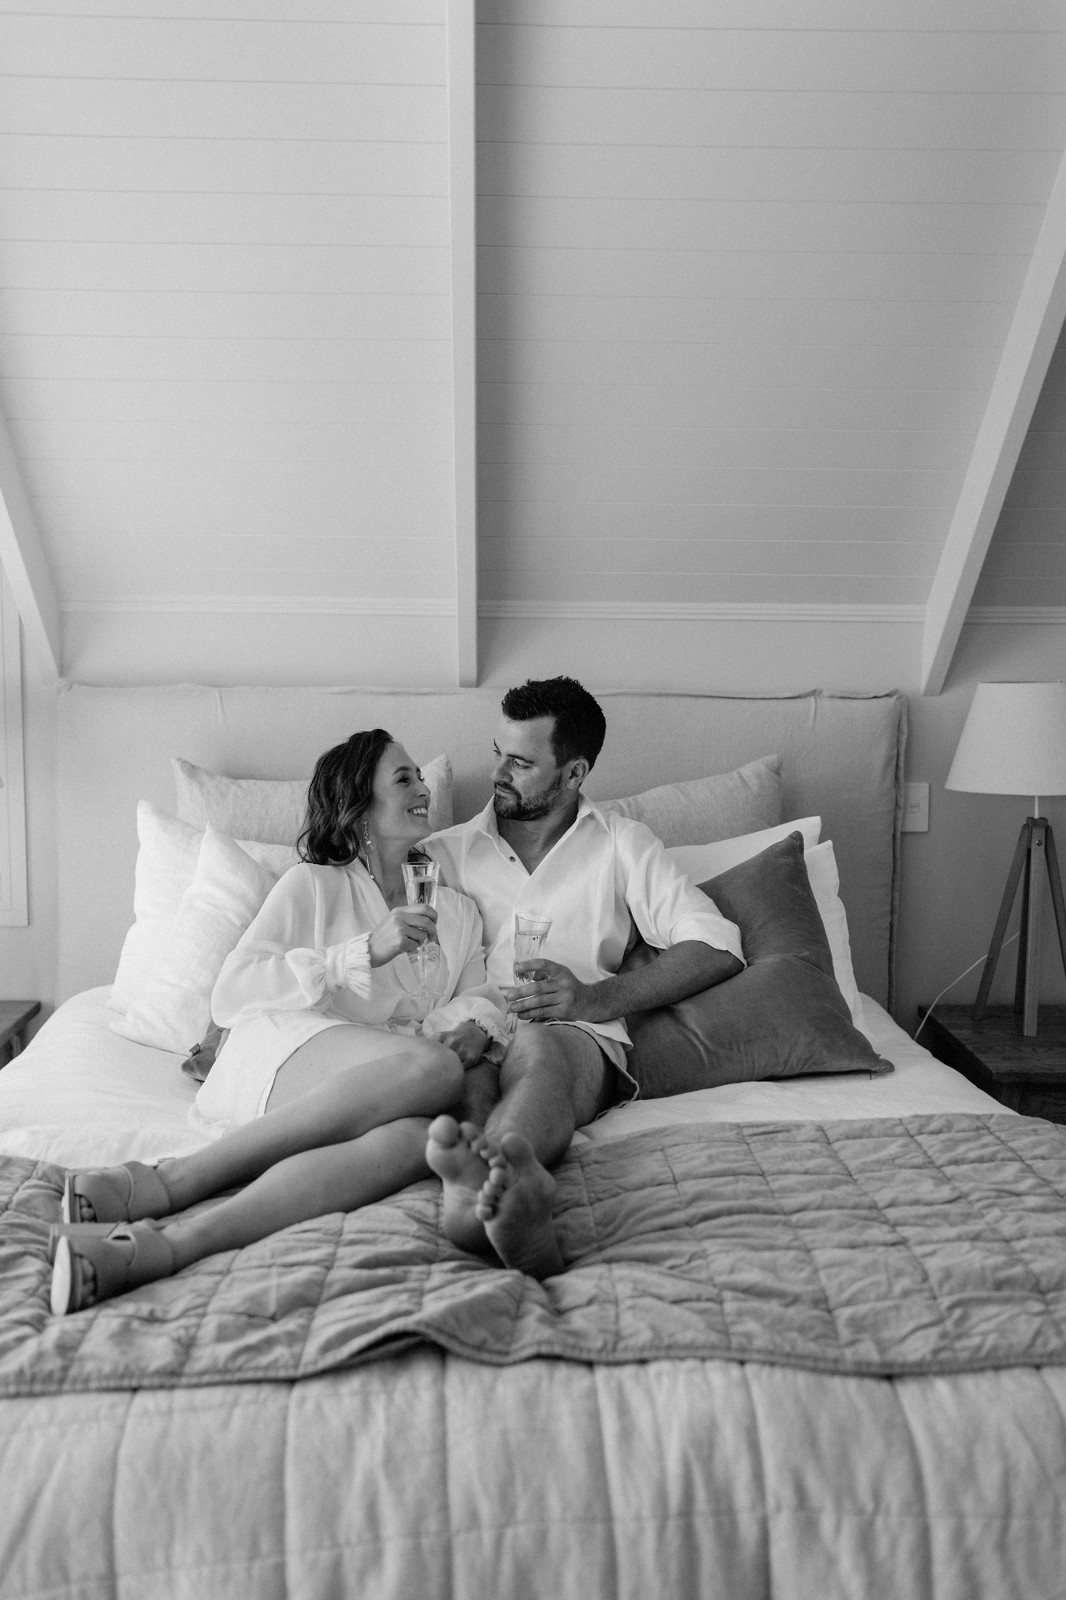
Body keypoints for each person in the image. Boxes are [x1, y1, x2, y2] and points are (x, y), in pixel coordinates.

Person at [50, 729, 509, 1316]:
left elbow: (476, 997)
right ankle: (172, 1180)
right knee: (435, 1069)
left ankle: (166, 1245)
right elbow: (232, 990)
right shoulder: (313, 884)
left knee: (420, 1139)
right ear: (357, 806)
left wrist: (476, 1025)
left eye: (421, 776)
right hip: (288, 1049)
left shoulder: (458, 911)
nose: (423, 789)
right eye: (403, 778)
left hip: (388, 1082)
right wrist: (360, 953)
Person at [421, 676, 745, 1279]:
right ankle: (492, 1199)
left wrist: (597, 998)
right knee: (465, 1083)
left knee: (539, 1048)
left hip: (572, 1034)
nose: (497, 774)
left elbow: (716, 944)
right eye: (498, 753)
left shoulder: (622, 844)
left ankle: (500, 1180)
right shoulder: (444, 855)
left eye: (521, 763)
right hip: (471, 1030)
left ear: (574, 773)